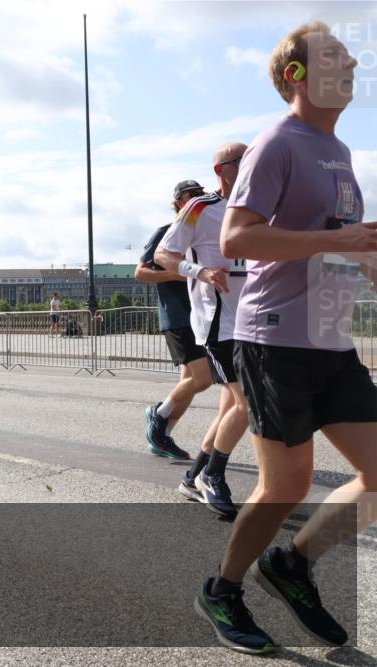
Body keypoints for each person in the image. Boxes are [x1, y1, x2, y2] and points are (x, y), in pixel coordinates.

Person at [195, 23, 376, 655]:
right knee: (285, 487)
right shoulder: (276, 143)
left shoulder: (340, 152)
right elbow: (236, 238)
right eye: (334, 56)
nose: (352, 63)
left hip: (331, 340)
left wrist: (363, 252)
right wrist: (337, 239)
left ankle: (292, 564)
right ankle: (222, 590)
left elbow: (340, 242)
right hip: (275, 340)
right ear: (297, 75)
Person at [156, 143, 249, 517]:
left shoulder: (260, 209)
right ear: (221, 169)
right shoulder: (199, 208)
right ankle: (213, 475)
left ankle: (193, 477)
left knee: (231, 408)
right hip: (218, 323)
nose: (251, 166)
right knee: (248, 403)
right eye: (242, 161)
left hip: (253, 323)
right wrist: (201, 272)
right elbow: (164, 255)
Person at [137, 181, 215, 461]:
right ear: (179, 202)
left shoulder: (202, 233)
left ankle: (162, 437)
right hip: (177, 315)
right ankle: (158, 415)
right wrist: (179, 273)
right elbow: (140, 273)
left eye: (202, 194)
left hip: (200, 315)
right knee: (203, 378)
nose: (199, 199)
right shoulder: (166, 232)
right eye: (193, 195)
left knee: (189, 384)